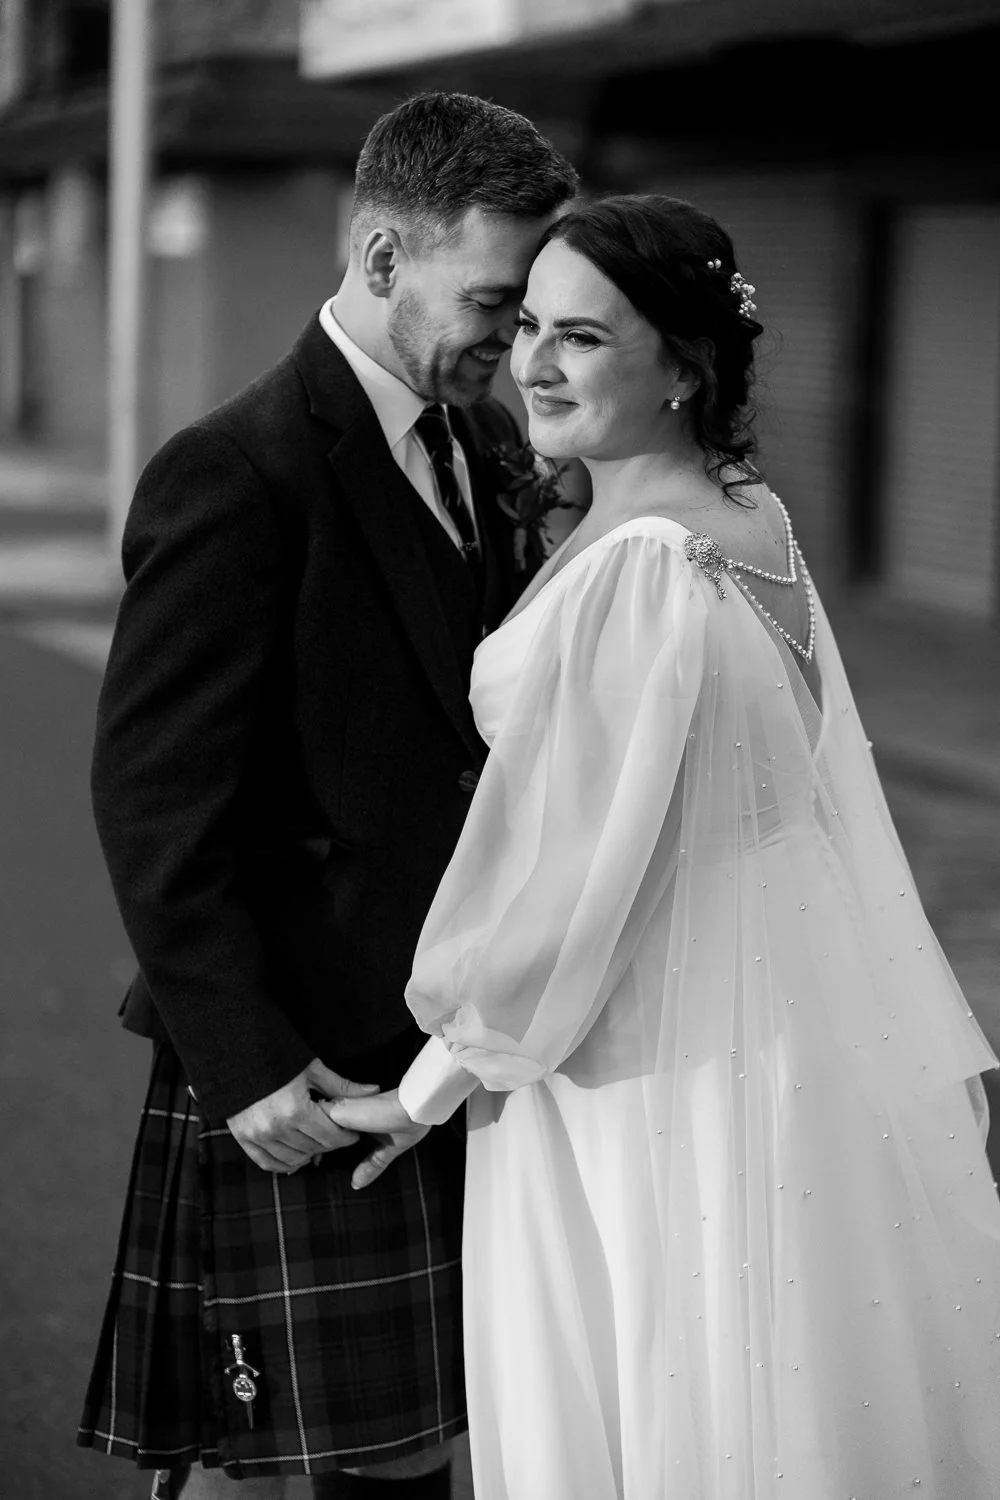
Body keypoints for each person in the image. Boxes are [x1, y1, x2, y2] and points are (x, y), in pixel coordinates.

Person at [329, 195, 1000, 1499]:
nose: (534, 362)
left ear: (687, 366)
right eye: (526, 324)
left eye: (581, 338)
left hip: (639, 1077)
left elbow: (582, 888)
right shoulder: (758, 526)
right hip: (785, 1049)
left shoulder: (639, 567)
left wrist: (423, 1091)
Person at [77, 93, 578, 1500]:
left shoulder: (479, 449)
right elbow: (153, 793)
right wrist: (242, 1064)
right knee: (364, 1457)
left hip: (441, 1032)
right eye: (494, 299)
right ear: (378, 256)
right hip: (306, 1044)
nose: (514, 339)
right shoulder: (238, 471)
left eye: (533, 310)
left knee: (432, 1436)